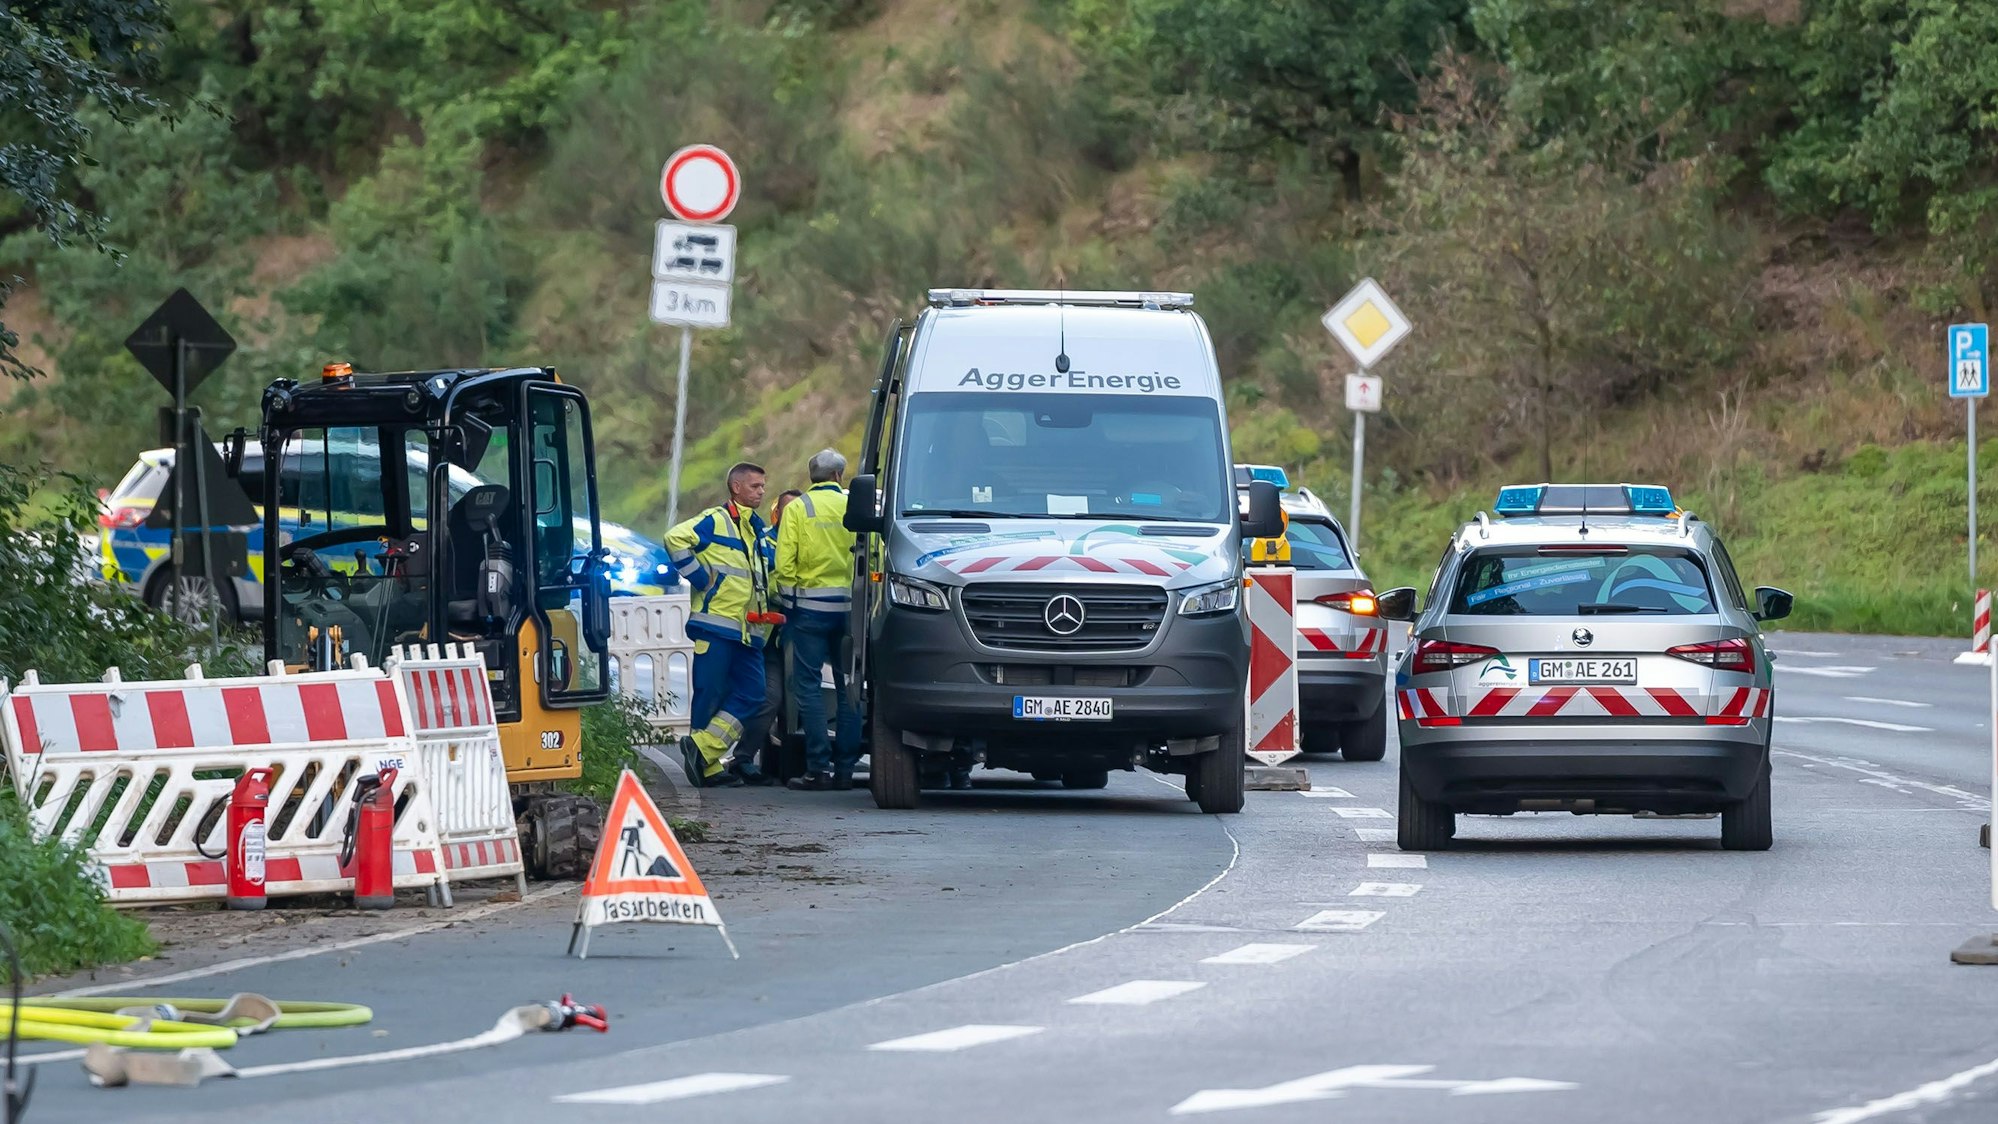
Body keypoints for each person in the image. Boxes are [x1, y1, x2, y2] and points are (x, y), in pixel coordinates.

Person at [666, 462, 776, 788]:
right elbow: (674, 538)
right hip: (716, 624)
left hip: (748, 630)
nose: (761, 491)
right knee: (709, 694)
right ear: (737, 488)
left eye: (762, 486)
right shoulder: (716, 519)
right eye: (755, 486)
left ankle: (702, 748)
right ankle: (708, 767)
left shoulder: (756, 529)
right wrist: (700, 578)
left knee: (754, 694)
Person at [774, 449, 864, 790]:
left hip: (809, 611)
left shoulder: (798, 508)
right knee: (849, 688)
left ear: (811, 476)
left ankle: (818, 768)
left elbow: (784, 565)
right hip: (850, 612)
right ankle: (845, 770)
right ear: (839, 476)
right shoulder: (854, 505)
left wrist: (789, 603)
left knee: (808, 688)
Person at [736, 489, 803, 782]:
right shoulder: (763, 541)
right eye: (786, 511)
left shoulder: (808, 539)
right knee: (770, 697)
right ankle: (743, 757)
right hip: (768, 636)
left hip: (802, 631)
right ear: (776, 515)